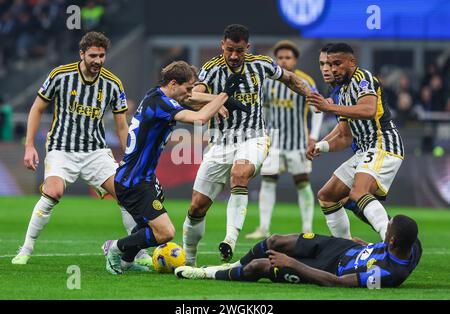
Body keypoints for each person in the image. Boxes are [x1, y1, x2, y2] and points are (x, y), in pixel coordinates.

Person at [12, 31, 151, 266]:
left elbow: (121, 126)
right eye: (93, 55)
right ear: (82, 54)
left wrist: (131, 154)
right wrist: (29, 145)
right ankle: (26, 248)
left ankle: (139, 252)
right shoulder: (60, 75)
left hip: (95, 151)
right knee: (53, 193)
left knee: (126, 194)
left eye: (102, 56)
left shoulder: (113, 83)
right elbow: (37, 108)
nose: (98, 60)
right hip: (61, 148)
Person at [182, 24, 314, 265]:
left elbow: (291, 79)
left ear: (247, 48)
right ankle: (188, 260)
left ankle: (230, 240)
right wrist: (219, 99)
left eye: (239, 51)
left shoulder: (261, 64)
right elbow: (192, 96)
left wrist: (313, 96)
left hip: (254, 137)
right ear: (222, 45)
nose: (234, 56)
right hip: (220, 143)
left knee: (239, 173)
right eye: (230, 50)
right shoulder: (212, 69)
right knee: (196, 207)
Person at [102, 61, 245, 274]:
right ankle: (115, 248)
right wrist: (224, 95)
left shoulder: (157, 96)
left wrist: (220, 99)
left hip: (139, 177)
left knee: (146, 228)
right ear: (173, 83)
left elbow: (191, 99)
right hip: (135, 181)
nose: (189, 93)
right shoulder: (162, 104)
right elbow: (200, 117)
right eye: (187, 88)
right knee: (165, 233)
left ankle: (126, 261)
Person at [306, 43, 404, 241]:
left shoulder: (363, 79)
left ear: (352, 62)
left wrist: (329, 108)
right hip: (364, 150)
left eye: (337, 63)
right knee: (327, 196)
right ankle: (345, 247)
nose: (333, 69)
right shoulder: (341, 92)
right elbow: (344, 136)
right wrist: (321, 146)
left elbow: (368, 110)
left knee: (359, 192)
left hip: (383, 143)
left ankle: (391, 245)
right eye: (329, 64)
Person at [175, 214, 422, 288]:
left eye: (387, 229)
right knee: (275, 240)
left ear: (392, 241)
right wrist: (366, 247)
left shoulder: (389, 274)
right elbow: (388, 247)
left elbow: (338, 282)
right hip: (338, 247)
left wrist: (292, 264)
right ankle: (232, 266)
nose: (384, 227)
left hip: (328, 269)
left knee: (259, 267)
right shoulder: (412, 244)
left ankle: (207, 274)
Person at [246, 40, 323, 239]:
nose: (283, 61)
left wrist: (313, 136)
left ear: (295, 60)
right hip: (274, 141)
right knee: (268, 181)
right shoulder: (269, 81)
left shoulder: (305, 81)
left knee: (302, 183)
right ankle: (263, 228)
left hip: (298, 142)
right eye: (280, 58)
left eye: (287, 58)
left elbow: (317, 110)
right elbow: (262, 109)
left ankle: (307, 227)